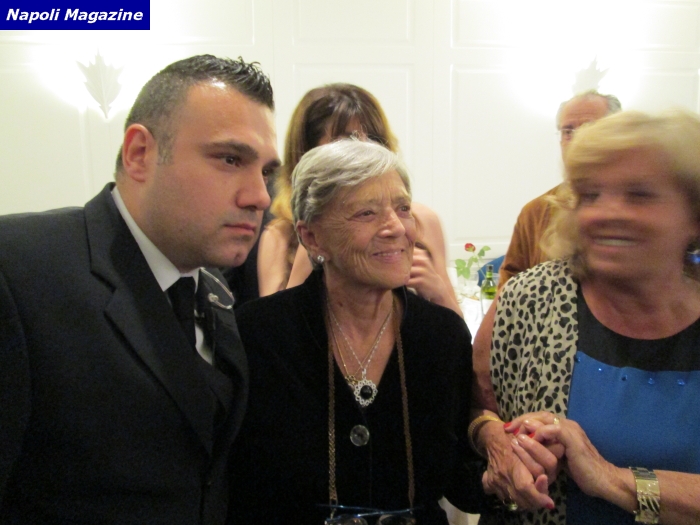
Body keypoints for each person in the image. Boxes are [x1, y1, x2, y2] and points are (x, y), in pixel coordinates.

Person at [0, 55, 280, 524]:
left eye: (266, 171)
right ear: (139, 154)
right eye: (230, 160)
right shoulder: (17, 270)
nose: (260, 197)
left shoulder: (215, 293)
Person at [228, 139, 484, 524]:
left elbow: (462, 481)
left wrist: (502, 472)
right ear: (312, 237)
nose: (396, 227)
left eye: (403, 208)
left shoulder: (441, 335)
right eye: (367, 213)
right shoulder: (259, 334)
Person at [471, 110, 700, 524]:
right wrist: (503, 444)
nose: (605, 213)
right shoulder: (532, 298)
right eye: (590, 195)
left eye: (639, 194)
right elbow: (479, 406)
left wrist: (611, 480)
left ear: (694, 215)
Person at [258, 83, 461, 316]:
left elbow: (457, 332)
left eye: (374, 139)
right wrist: (314, 251)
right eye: (349, 141)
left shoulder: (421, 222)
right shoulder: (280, 237)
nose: (365, 151)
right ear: (308, 154)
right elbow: (273, 326)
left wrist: (438, 293)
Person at [498, 90, 622, 286]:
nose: (577, 140)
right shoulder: (534, 213)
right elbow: (509, 287)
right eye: (568, 131)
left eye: (590, 128)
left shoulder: (637, 208)